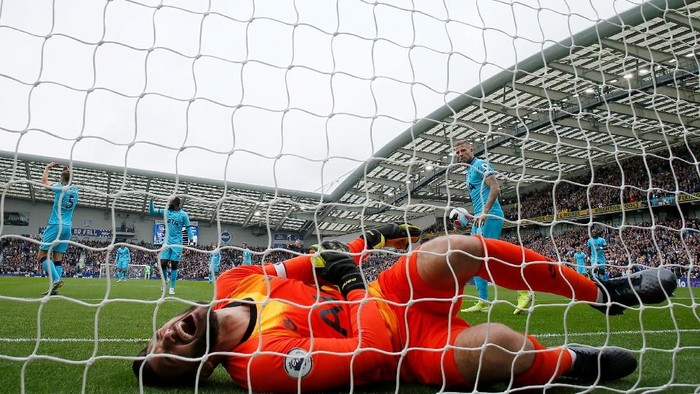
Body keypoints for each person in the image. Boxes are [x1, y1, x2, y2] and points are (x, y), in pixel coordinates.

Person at [132, 223, 677, 392]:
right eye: (168, 356)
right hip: (405, 348)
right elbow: (369, 352)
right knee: (496, 346)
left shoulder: (235, 280)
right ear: (203, 366)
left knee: (459, 247)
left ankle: (606, 292)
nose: (166, 338)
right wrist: (352, 292)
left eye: (155, 339)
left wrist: (369, 241)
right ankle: (572, 363)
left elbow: (324, 259)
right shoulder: (262, 367)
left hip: (392, 293)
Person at [454, 140, 534, 315]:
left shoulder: (480, 164)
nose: (460, 154)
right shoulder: (469, 171)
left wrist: (484, 211)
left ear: (471, 150)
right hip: (479, 218)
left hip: (490, 216)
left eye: (463, 150)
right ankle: (483, 302)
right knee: (474, 259)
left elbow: (495, 188)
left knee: (489, 258)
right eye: (457, 152)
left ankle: (523, 290)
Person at [37, 162, 79, 296]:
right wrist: (67, 172)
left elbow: (44, 181)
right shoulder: (75, 190)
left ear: (62, 178)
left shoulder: (60, 188)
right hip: (68, 227)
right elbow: (69, 179)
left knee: (42, 255)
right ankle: (53, 289)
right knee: (57, 257)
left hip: (55, 225)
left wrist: (47, 168)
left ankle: (56, 279)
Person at [149, 197, 193, 295]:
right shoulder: (166, 212)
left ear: (176, 203)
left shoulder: (184, 215)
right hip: (167, 241)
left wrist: (191, 240)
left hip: (177, 242)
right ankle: (165, 280)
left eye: (170, 202)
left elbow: (189, 228)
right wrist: (151, 201)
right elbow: (152, 211)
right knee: (163, 263)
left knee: (174, 264)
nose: (169, 203)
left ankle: (172, 287)